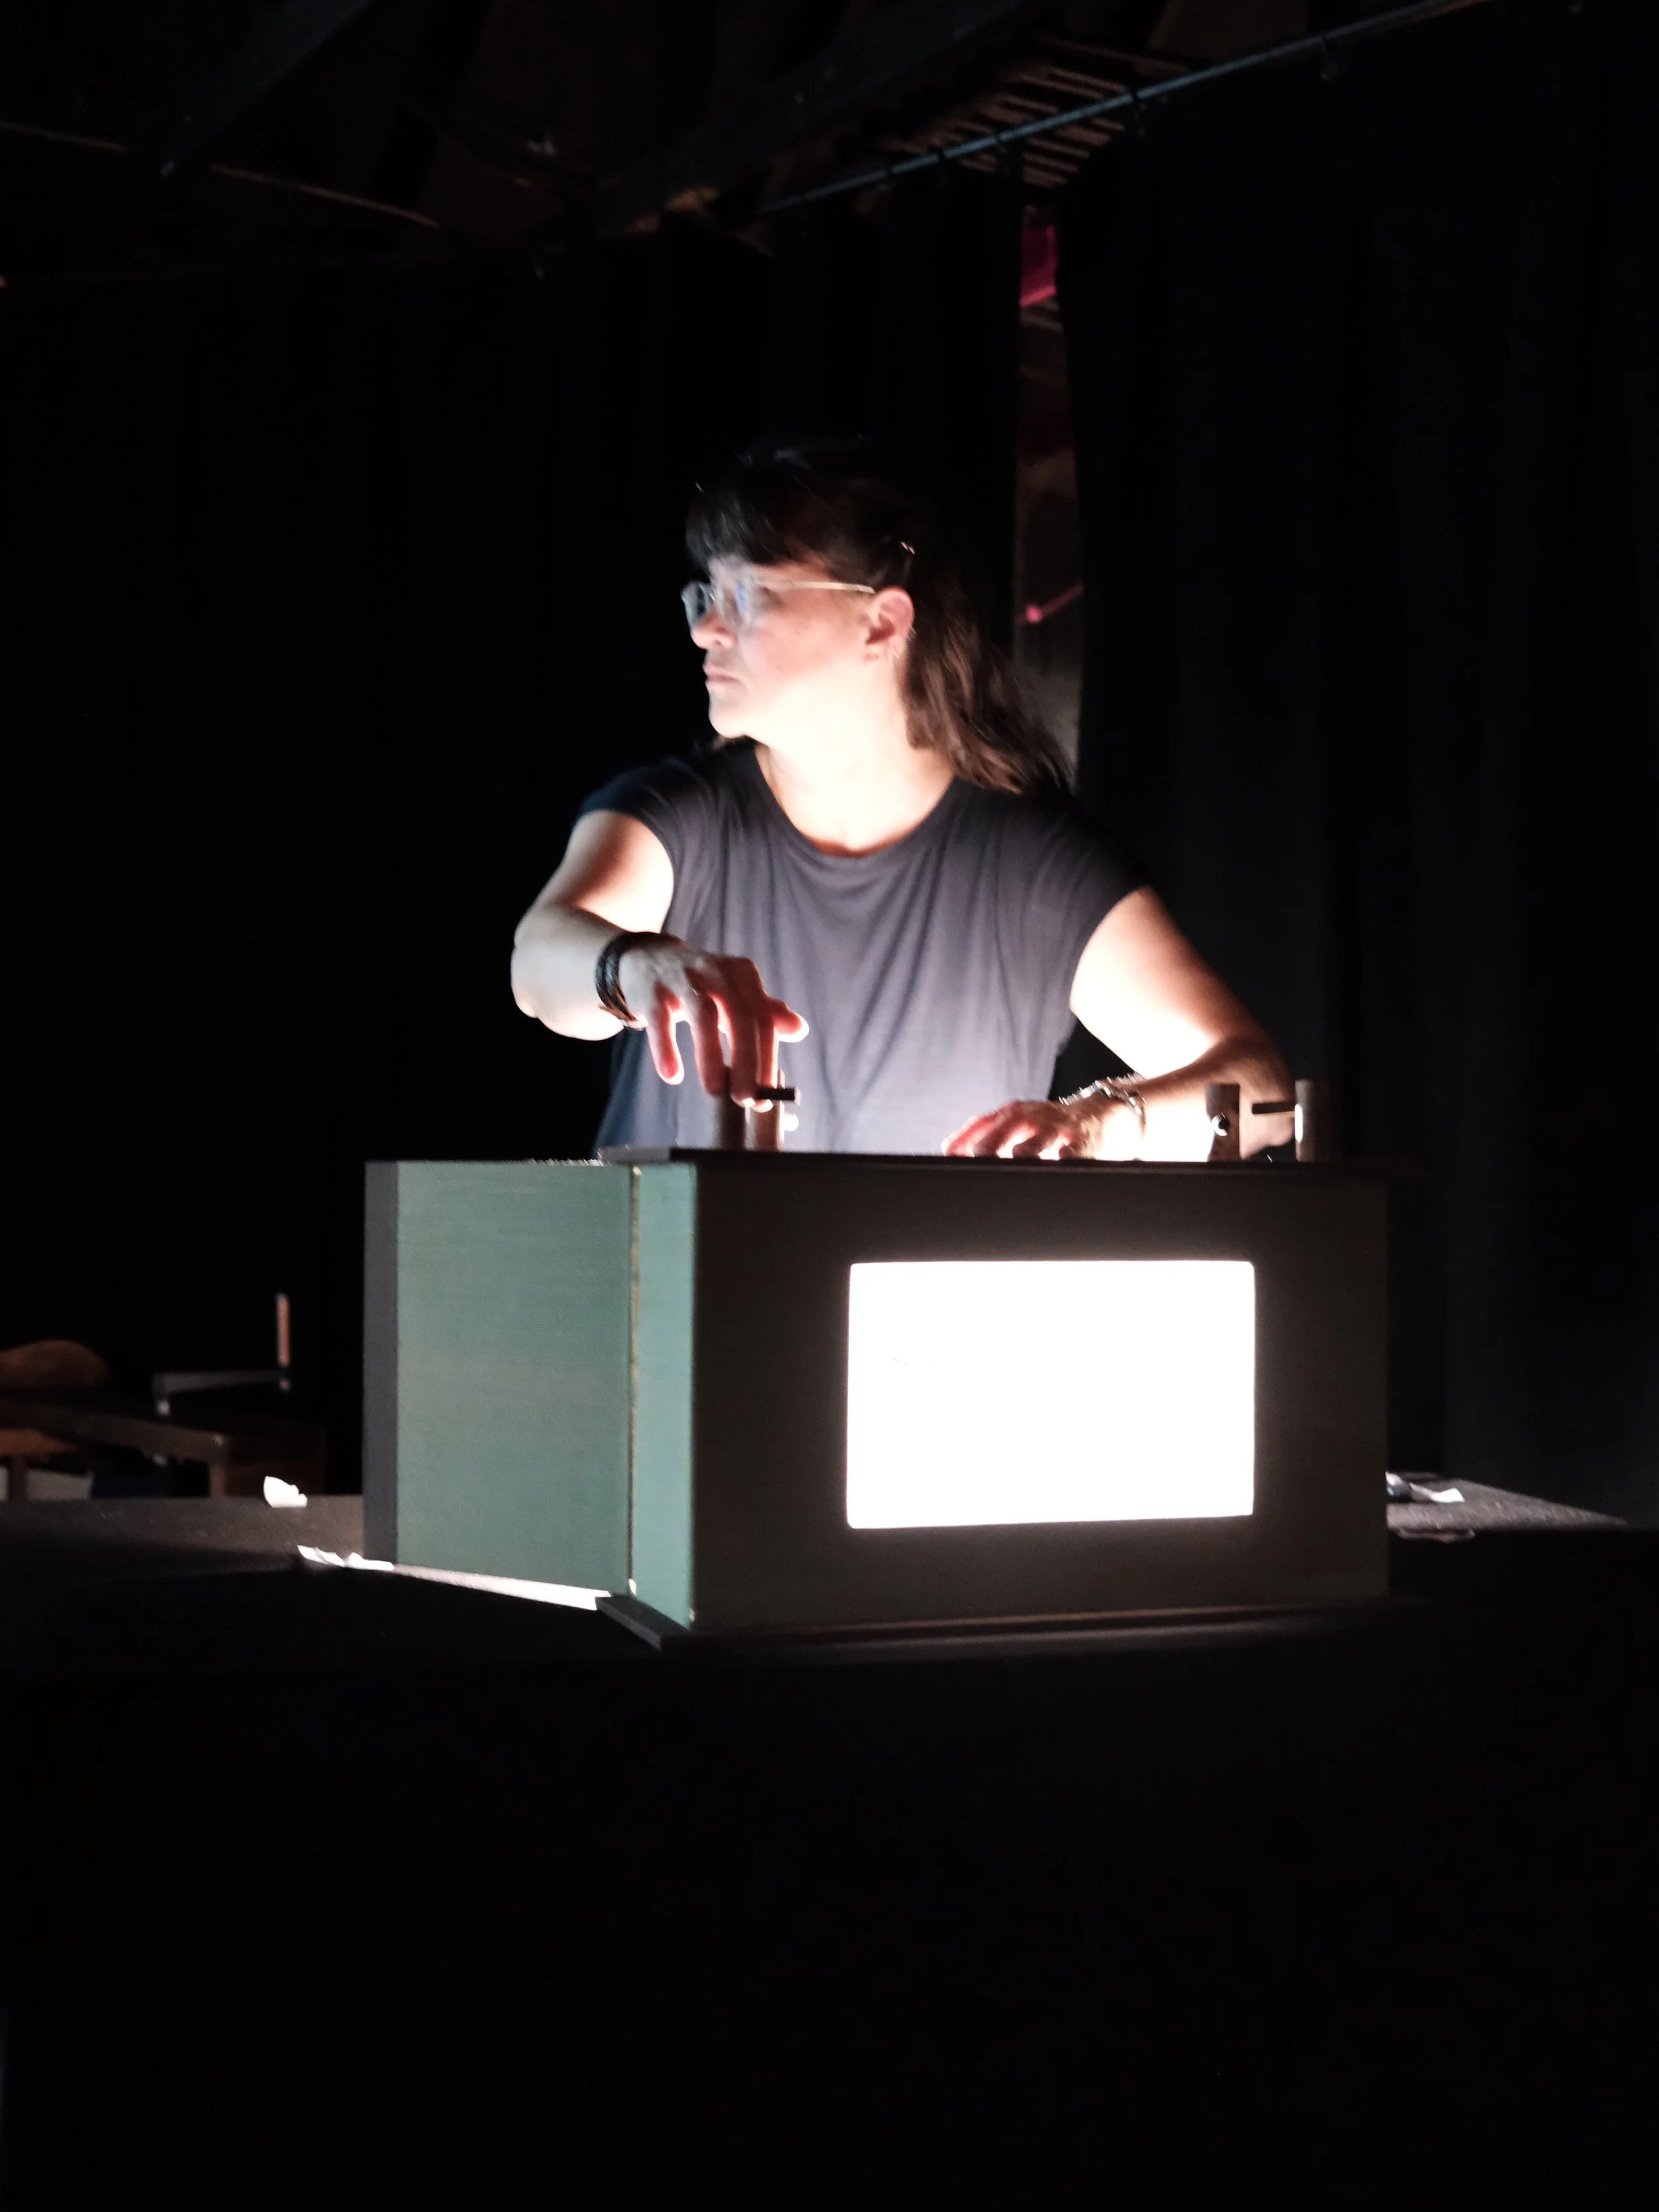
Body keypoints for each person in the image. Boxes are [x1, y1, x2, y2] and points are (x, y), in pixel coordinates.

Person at [511, 439, 1291, 1160]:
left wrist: (1101, 1121)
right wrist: (635, 968)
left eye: (750, 594)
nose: (707, 630)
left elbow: (1257, 1090)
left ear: (881, 622)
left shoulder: (1032, 867)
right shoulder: (676, 814)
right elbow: (540, 965)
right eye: (706, 595)